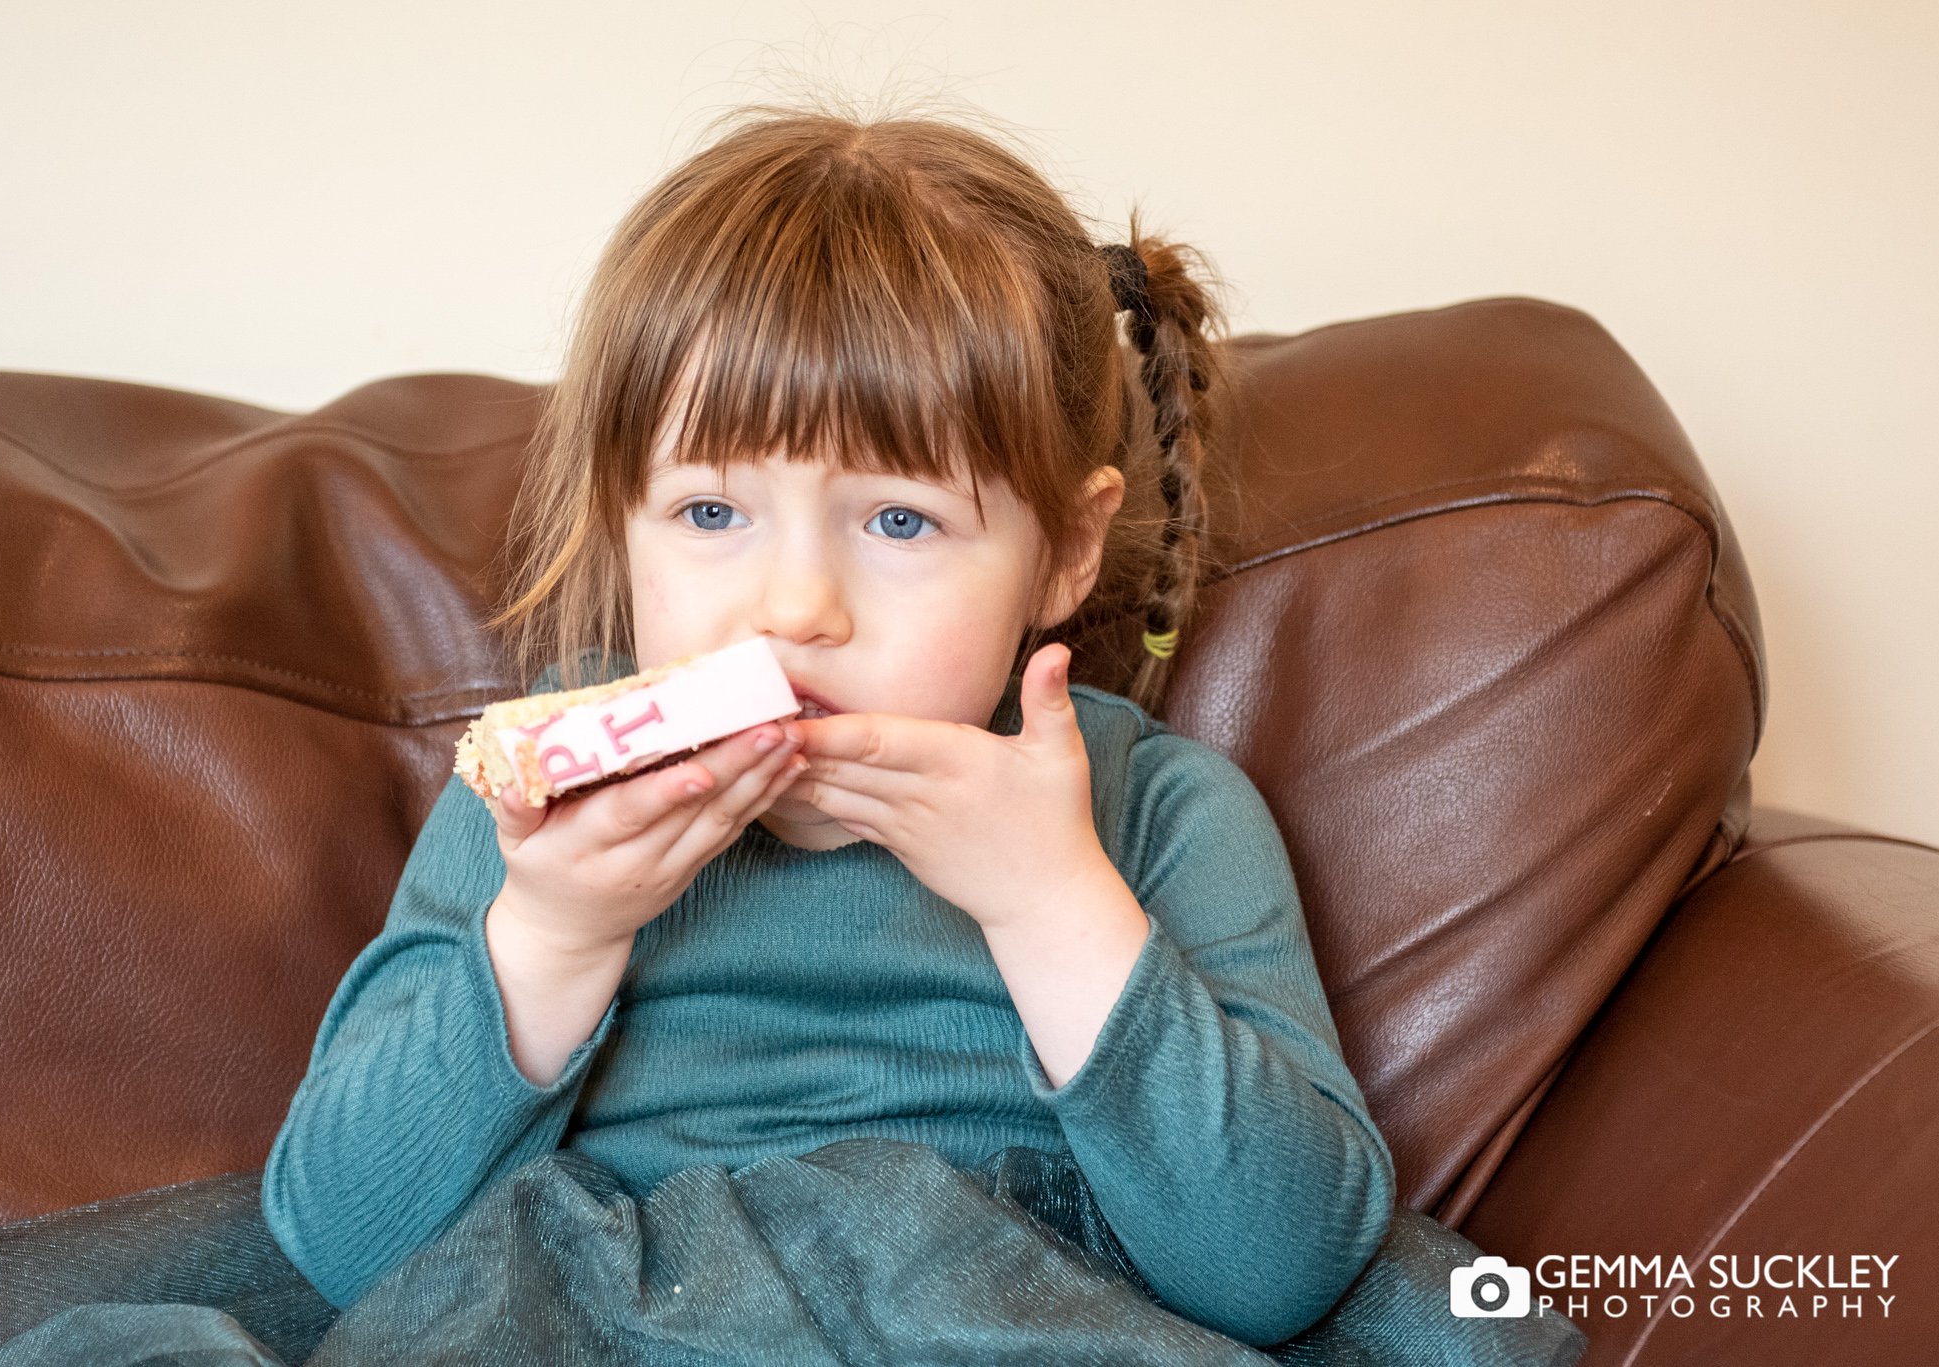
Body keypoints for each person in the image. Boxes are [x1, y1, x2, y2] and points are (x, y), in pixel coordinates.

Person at [255, 97, 1400, 1350]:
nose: (793, 609)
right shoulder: (539, 816)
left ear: (1064, 548)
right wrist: (553, 934)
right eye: (707, 514)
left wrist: (1052, 906)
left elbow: (1280, 1268)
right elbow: (344, 1250)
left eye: (897, 522)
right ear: (619, 520)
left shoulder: (1158, 814)